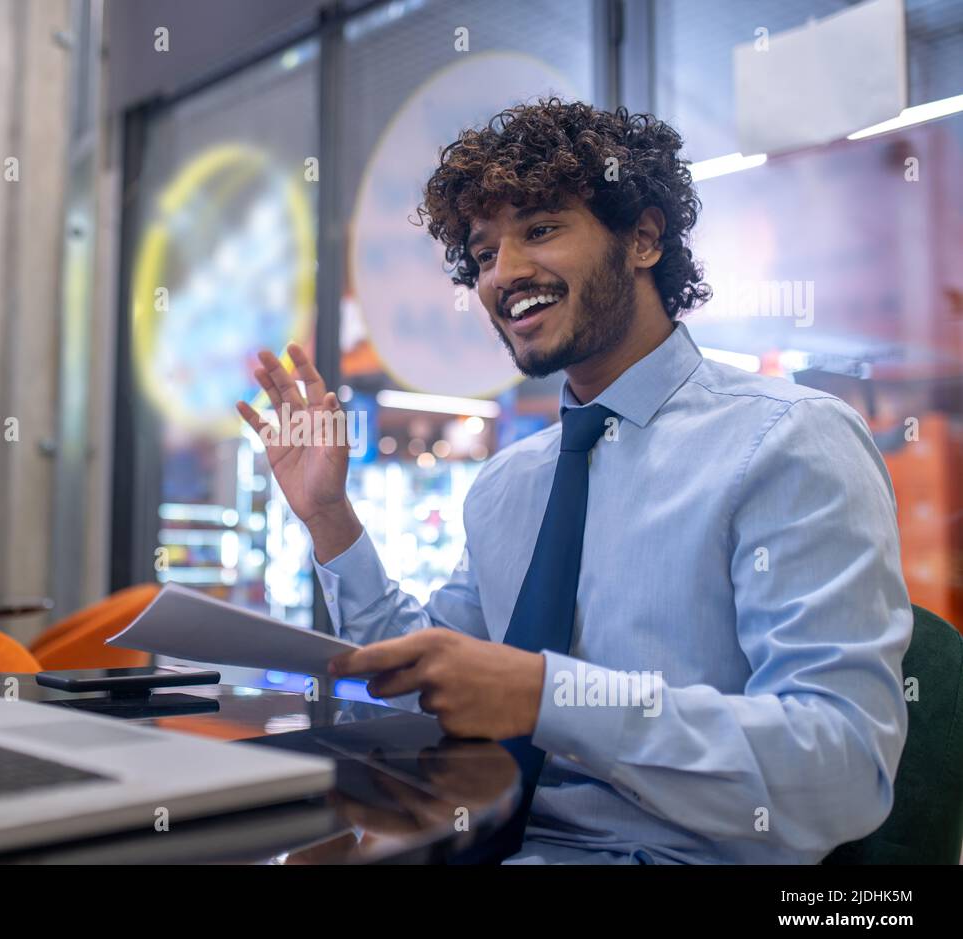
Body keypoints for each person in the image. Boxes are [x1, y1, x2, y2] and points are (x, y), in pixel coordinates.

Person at [236, 98, 911, 864]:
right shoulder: (507, 486)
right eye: (483, 254)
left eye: (541, 229)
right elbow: (425, 690)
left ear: (643, 238)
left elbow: (841, 767)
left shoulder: (787, 440)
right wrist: (328, 516)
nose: (504, 273)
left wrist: (549, 697)